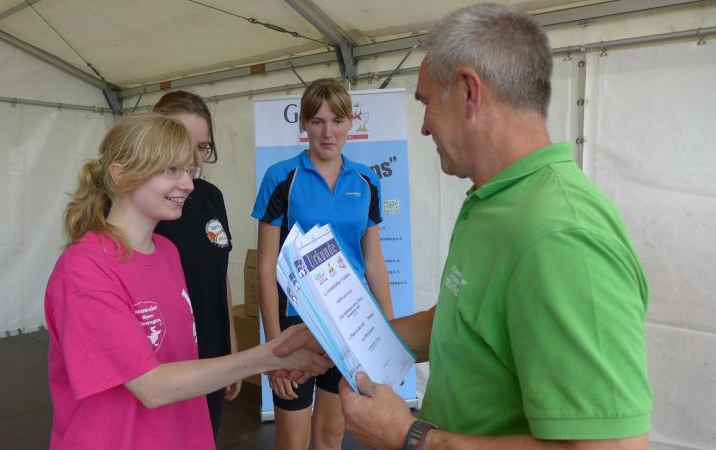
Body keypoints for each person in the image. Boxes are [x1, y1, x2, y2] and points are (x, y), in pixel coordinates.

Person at [275, 4, 653, 450]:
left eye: (427, 102)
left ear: (470, 92)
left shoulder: (562, 235)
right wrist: (335, 343)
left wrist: (409, 436)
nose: (423, 126)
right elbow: (455, 324)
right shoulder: (494, 200)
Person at [44, 113, 331, 450]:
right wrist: (270, 356)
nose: (189, 185)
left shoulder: (167, 252)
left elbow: (181, 362)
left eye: (189, 171)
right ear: (120, 177)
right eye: (171, 170)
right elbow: (151, 386)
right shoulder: (85, 268)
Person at [253, 78, 395, 450]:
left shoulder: (366, 180)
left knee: (331, 435)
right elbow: (266, 267)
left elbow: (374, 261)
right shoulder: (281, 177)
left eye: (337, 121)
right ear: (303, 124)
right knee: (292, 440)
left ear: (351, 122)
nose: (328, 132)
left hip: (349, 322)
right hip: (294, 323)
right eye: (317, 121)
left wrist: (388, 333)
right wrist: (273, 349)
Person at [152, 90, 238, 437]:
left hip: (212, 349)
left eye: (202, 147)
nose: (192, 158)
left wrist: (230, 344)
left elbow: (219, 272)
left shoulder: (210, 197)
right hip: (167, 359)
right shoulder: (148, 205)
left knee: (205, 436)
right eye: (182, 142)